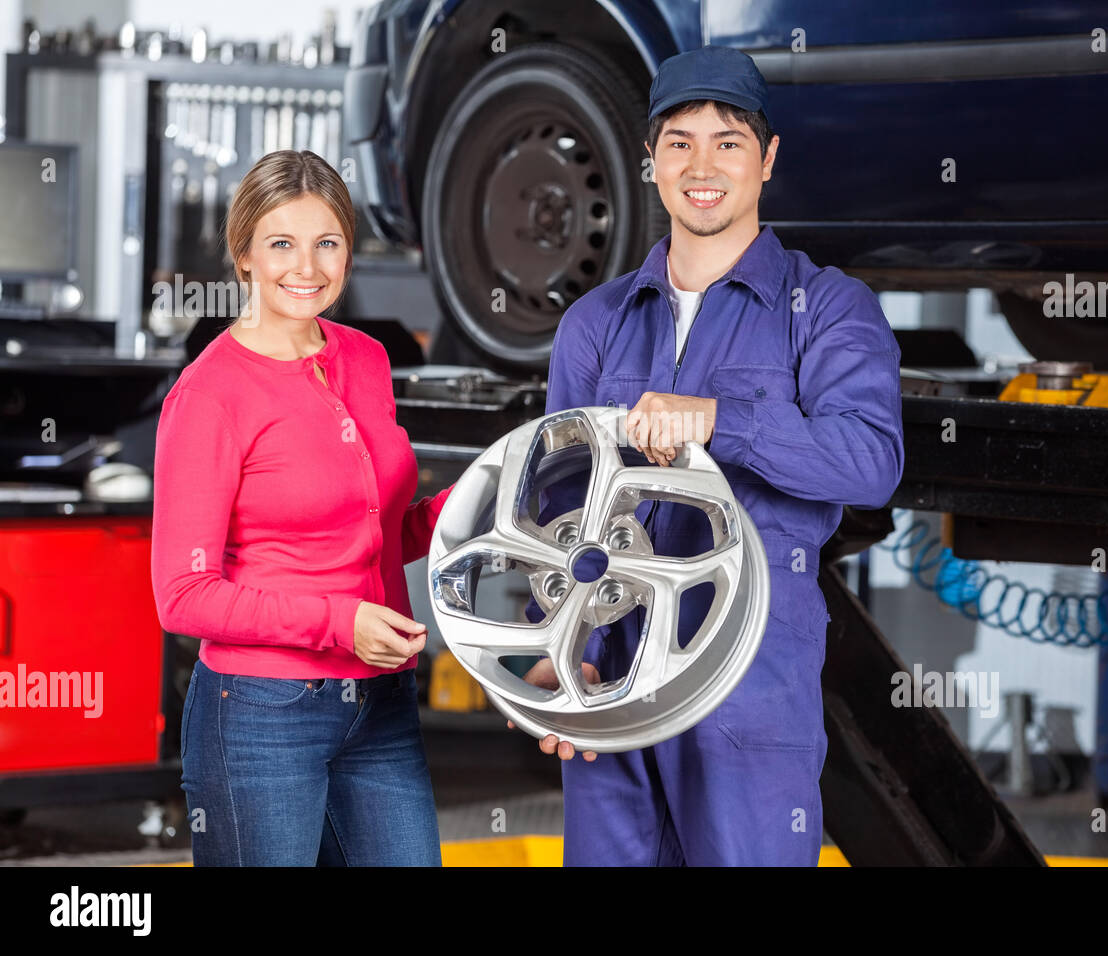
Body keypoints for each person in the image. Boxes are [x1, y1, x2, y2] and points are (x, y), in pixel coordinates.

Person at [519, 46, 905, 865]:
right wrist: (563, 656)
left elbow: (871, 459)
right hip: (615, 690)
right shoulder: (595, 322)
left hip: (749, 695)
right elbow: (554, 509)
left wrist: (721, 422)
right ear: (651, 161)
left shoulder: (827, 308)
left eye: (728, 142)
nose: (703, 165)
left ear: (767, 160)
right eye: (680, 141)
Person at [151, 149, 452, 866]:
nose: (307, 267)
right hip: (261, 716)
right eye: (281, 243)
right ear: (244, 253)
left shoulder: (367, 357)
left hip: (380, 706)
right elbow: (183, 596)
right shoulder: (209, 395)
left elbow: (374, 531)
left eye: (328, 243)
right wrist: (338, 622)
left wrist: (466, 509)